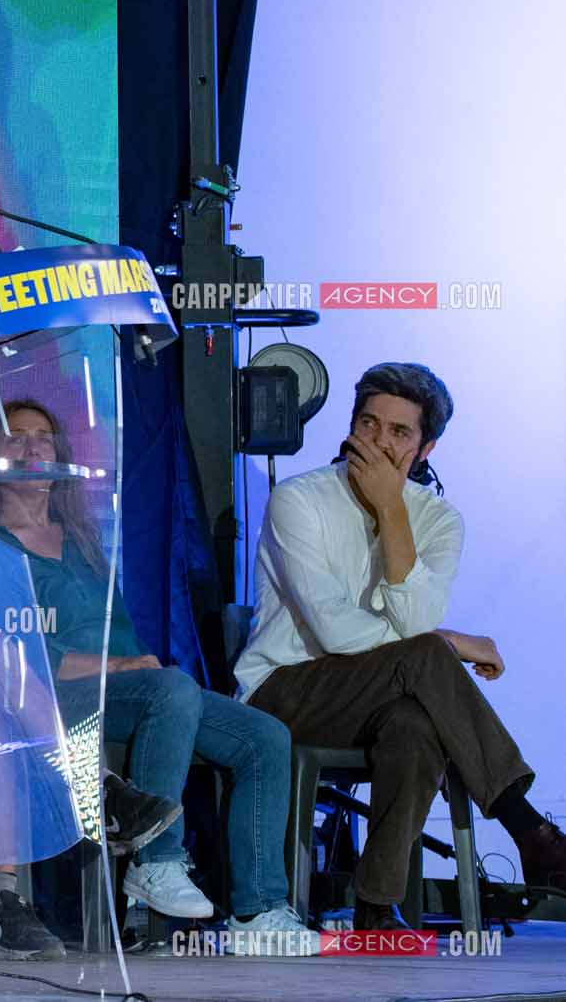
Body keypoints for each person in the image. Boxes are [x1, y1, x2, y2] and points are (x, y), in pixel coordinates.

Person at [0, 401, 313, 956]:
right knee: (170, 688)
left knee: (265, 737)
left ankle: (257, 910)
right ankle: (155, 866)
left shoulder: (82, 541)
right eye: (15, 438)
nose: (32, 448)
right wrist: (127, 669)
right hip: (51, 700)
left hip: (137, 692)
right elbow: (25, 659)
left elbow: (122, 639)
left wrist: (135, 670)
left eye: (43, 437)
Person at [239, 362, 566, 929]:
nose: (378, 443)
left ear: (426, 447)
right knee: (428, 658)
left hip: (380, 696)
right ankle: (528, 829)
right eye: (369, 424)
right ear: (349, 426)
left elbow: (416, 620)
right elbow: (337, 635)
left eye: (399, 433)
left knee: (416, 726)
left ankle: (375, 906)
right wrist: (452, 642)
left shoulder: (439, 521)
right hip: (286, 692)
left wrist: (392, 509)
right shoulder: (299, 501)